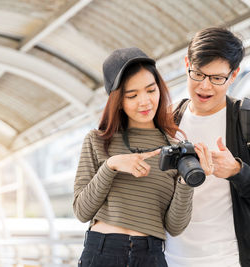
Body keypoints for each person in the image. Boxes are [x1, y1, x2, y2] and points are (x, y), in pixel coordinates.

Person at [164, 27, 250, 267]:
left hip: (231, 260)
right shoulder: (168, 122)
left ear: (233, 75)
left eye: (217, 78)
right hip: (170, 259)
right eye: (198, 74)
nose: (205, 87)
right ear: (186, 64)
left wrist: (237, 171)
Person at [73, 47, 211, 267]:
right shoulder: (98, 140)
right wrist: (111, 165)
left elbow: (175, 227)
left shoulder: (174, 147)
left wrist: (187, 181)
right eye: (132, 95)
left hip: (150, 255)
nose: (145, 101)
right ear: (118, 100)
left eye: (150, 90)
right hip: (103, 252)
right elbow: (82, 211)